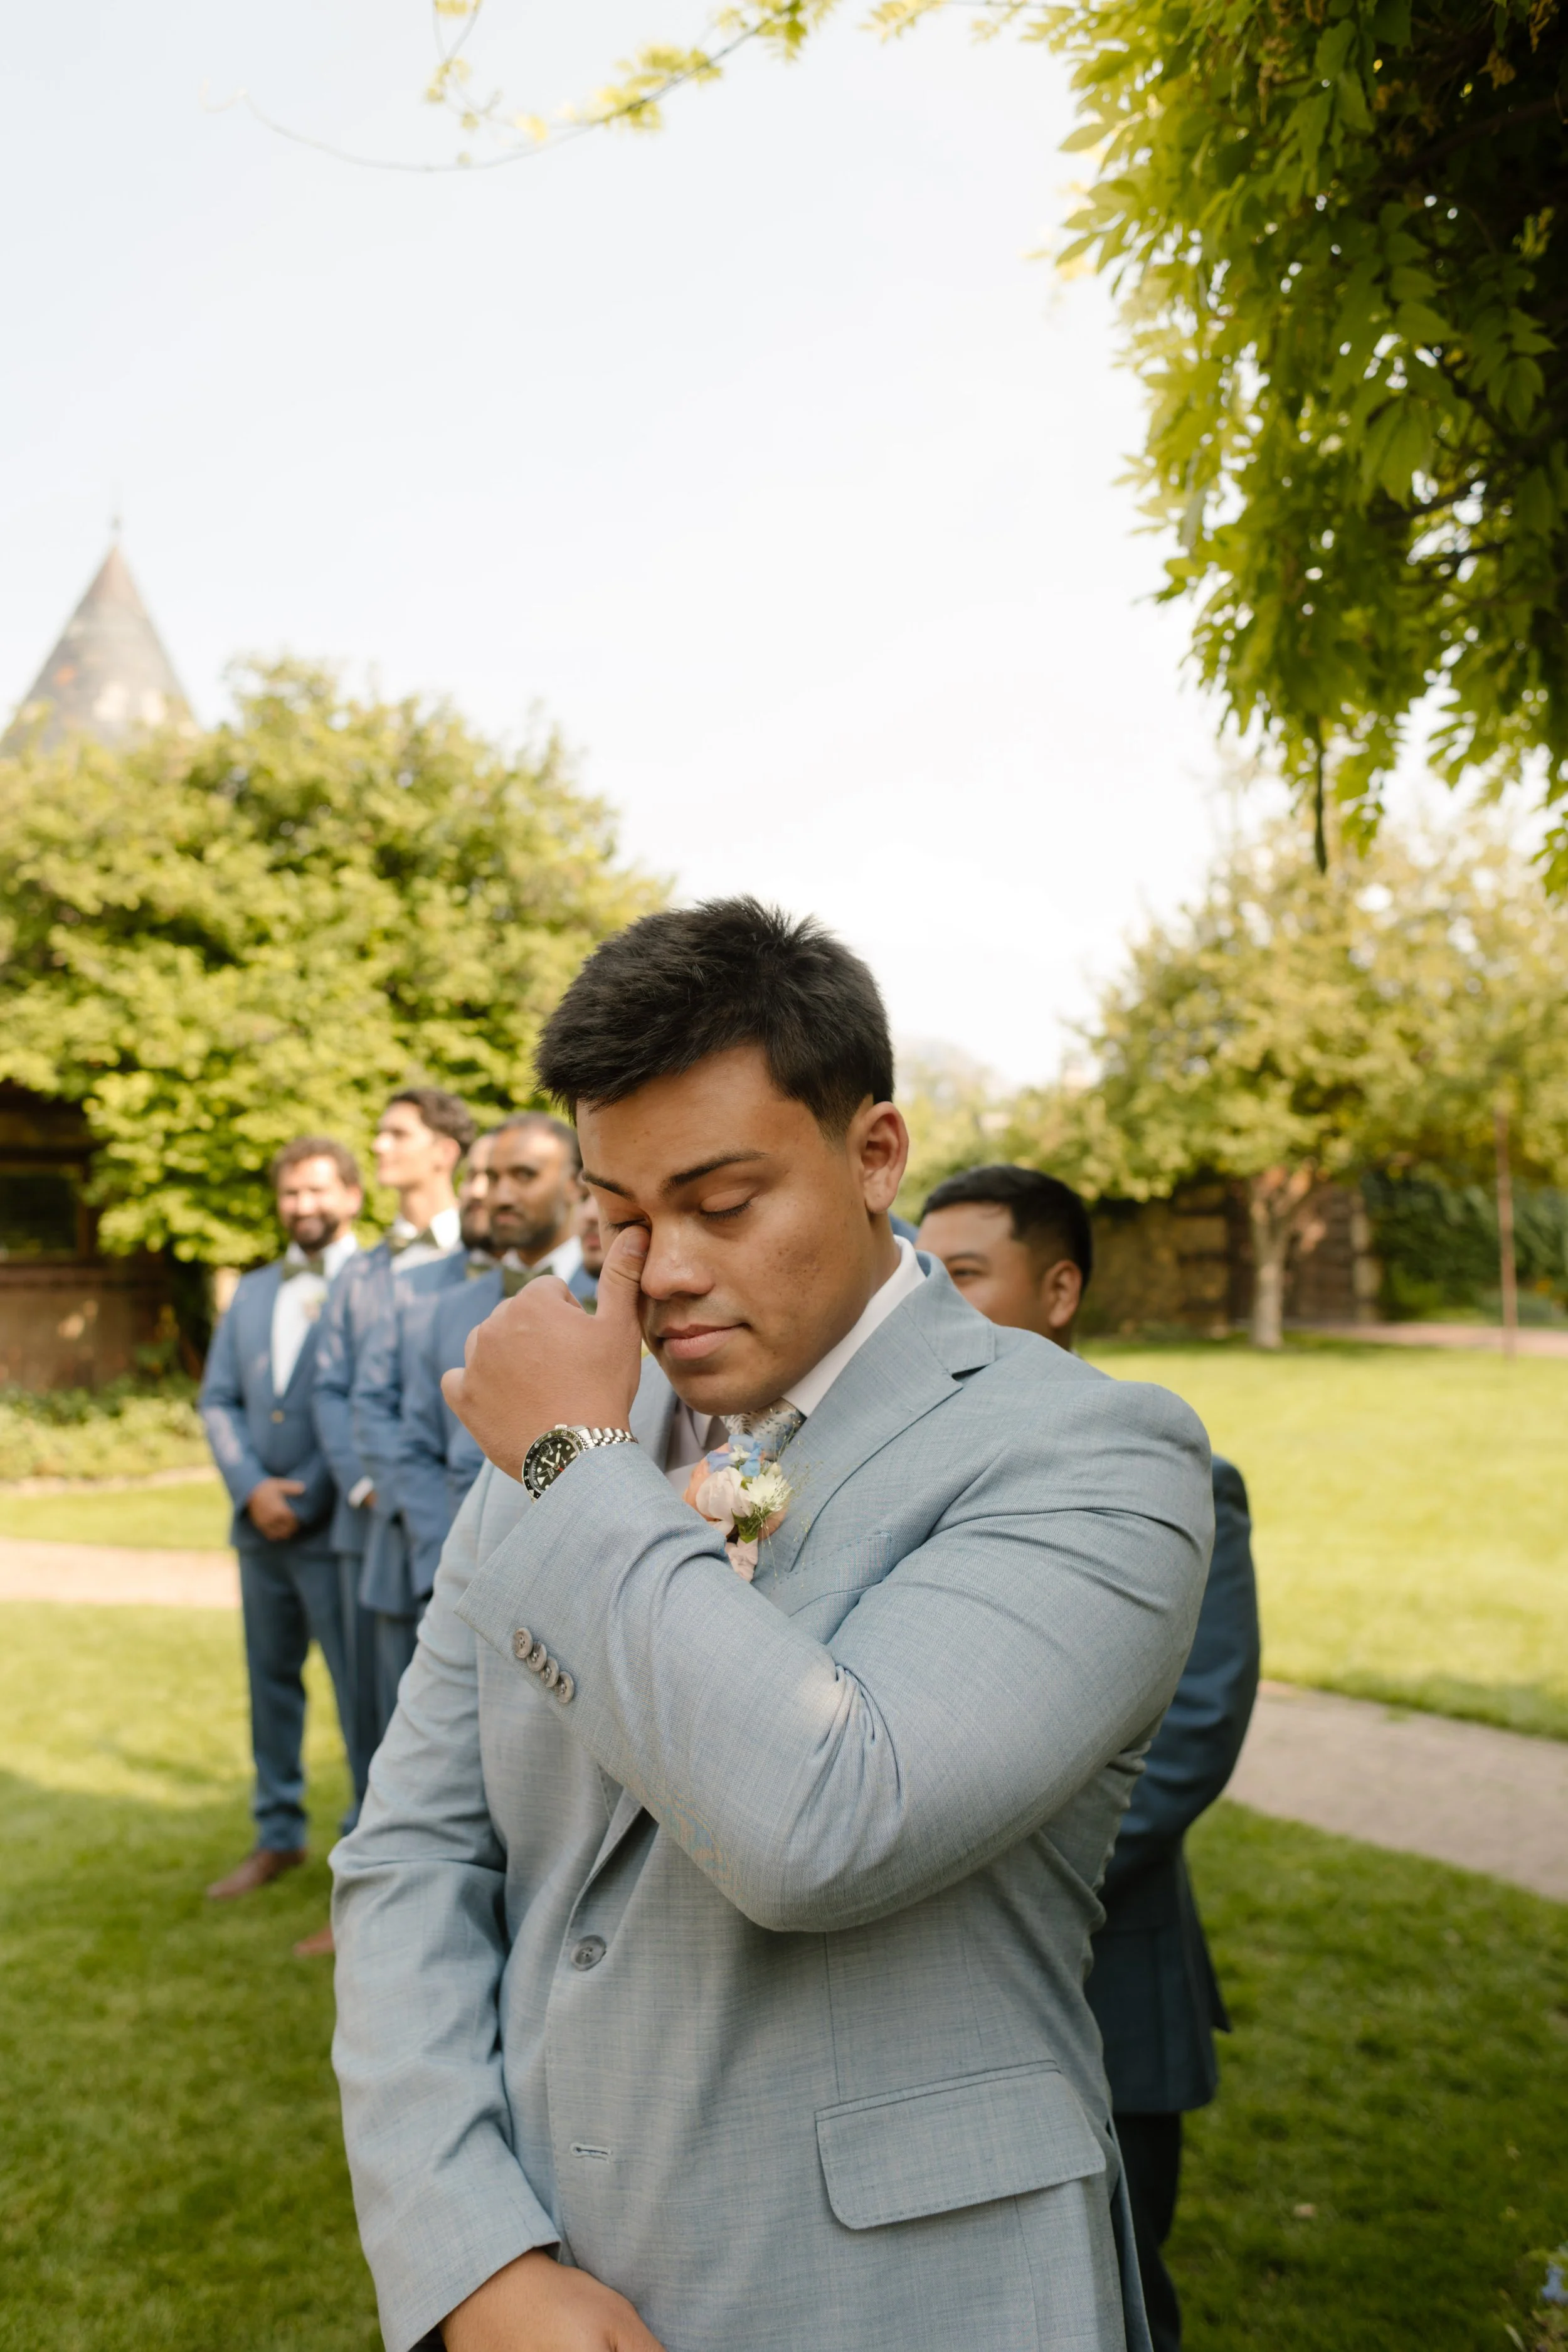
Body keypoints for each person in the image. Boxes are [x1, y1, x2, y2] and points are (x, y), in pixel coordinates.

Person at [331, 899, 1214, 2352]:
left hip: (915, 2299)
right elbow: (416, 1848)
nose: (658, 1268)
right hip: (548, 2275)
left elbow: (829, 1818)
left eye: (722, 1204)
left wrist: (571, 1467)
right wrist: (471, 2248)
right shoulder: (570, 1431)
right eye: (616, 1217)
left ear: (876, 1155)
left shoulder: (1098, 1453)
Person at [919, 1162, 1260, 2352]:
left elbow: (1195, 1734)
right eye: (921, 1268)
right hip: (925, 2015)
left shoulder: (1170, 1473)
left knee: (1120, 2303)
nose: (931, 1293)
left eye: (964, 1273)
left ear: (1058, 1288)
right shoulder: (904, 1466)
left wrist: (967, 1871)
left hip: (1103, 1965)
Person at [198, 1138, 368, 1936]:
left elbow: (367, 1402)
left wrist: (307, 1493)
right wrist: (251, 1487)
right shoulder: (255, 1290)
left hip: (339, 1530)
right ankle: (277, 1836)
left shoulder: (376, 1286)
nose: (302, 1205)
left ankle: (363, 1856)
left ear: (352, 1196)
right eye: (290, 1194)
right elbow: (218, 1400)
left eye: (316, 1191)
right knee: (269, 1683)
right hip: (257, 1528)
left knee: (359, 1696)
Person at [312, 1088, 475, 1796]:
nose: (378, 1146)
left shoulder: (487, 1257)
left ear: (443, 1151)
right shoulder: (360, 1274)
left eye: (395, 1133)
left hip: (470, 1510)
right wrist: (370, 1483)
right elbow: (335, 1388)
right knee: (374, 1706)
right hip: (378, 1518)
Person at [395, 1113, 586, 1601]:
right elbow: (416, 1444)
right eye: (495, 1178)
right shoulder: (448, 1308)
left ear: (574, 1185)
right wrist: (448, 1562)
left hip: (579, 1578)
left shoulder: (612, 1298)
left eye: (525, 1176)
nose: (500, 1196)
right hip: (461, 1579)